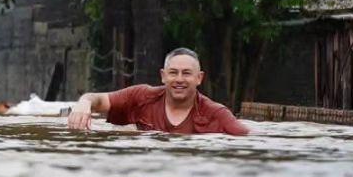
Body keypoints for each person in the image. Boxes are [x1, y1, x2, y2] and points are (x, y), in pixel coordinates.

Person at [67, 47, 251, 135]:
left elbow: (249, 139)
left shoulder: (216, 114)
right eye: (173, 73)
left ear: (199, 78)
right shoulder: (142, 96)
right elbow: (99, 100)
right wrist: (85, 102)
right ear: (163, 76)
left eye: (186, 73)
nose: (179, 79)